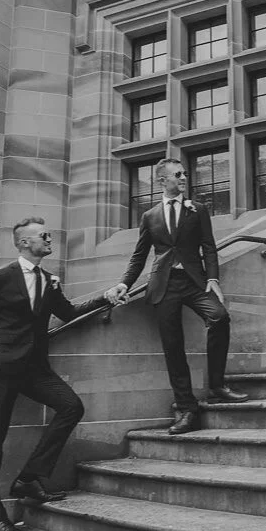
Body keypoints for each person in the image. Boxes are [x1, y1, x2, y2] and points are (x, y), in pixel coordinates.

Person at [0, 217, 113, 531]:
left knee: (71, 406)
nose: (48, 238)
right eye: (43, 235)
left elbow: (69, 312)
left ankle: (29, 478)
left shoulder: (49, 280)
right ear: (25, 243)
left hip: (35, 369)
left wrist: (106, 297)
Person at [105, 157, 247, 436]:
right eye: (178, 174)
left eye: (184, 173)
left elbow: (208, 247)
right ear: (162, 180)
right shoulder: (150, 216)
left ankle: (217, 385)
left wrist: (213, 278)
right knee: (173, 347)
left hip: (194, 281)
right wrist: (124, 283)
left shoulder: (198, 209)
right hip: (163, 285)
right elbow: (139, 255)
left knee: (219, 318)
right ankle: (187, 408)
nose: (184, 178)